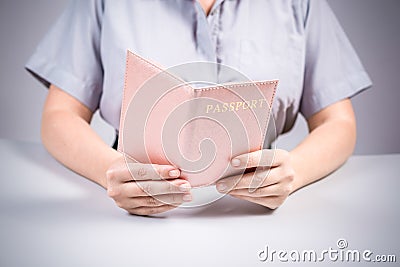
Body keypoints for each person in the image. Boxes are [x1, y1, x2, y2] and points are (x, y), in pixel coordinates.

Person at [26, 0, 372, 216]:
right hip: (131, 207)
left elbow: (338, 121)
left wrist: (294, 170)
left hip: (256, 209)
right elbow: (59, 115)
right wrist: (110, 171)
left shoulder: (300, 3)